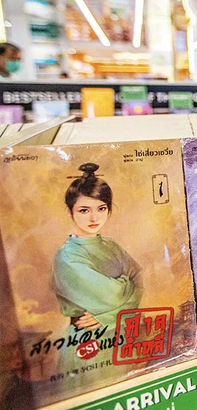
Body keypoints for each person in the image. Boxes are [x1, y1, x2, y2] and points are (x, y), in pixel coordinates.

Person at [52, 163, 143, 382]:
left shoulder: (111, 245)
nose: (94, 218)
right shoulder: (67, 257)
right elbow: (113, 293)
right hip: (88, 341)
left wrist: (108, 313)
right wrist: (126, 284)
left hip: (120, 336)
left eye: (101, 208)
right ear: (71, 211)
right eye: (84, 210)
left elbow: (139, 282)